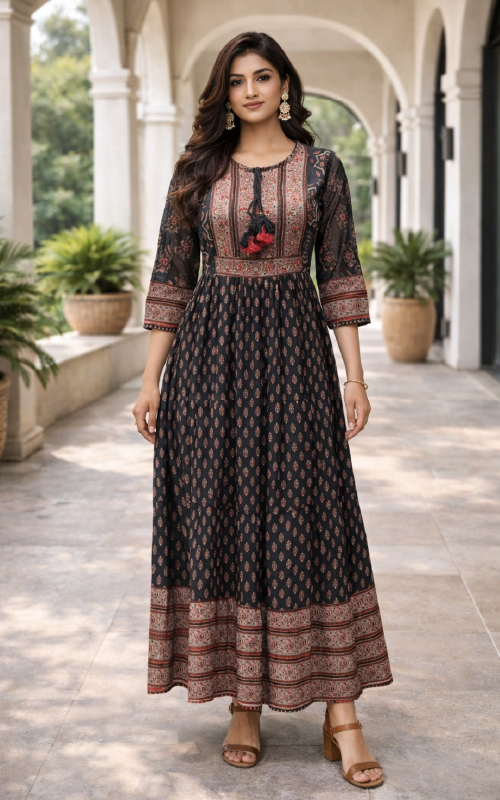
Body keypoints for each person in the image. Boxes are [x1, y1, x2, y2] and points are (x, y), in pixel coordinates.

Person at [132, 30, 392, 789]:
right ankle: (243, 703)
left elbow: (339, 274)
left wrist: (355, 378)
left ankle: (342, 713)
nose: (250, 90)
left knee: (315, 518)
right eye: (238, 79)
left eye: (263, 77)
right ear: (226, 91)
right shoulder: (196, 171)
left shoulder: (322, 169)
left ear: (284, 86)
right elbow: (171, 278)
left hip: (297, 360)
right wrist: (150, 382)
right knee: (227, 517)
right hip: (209, 364)